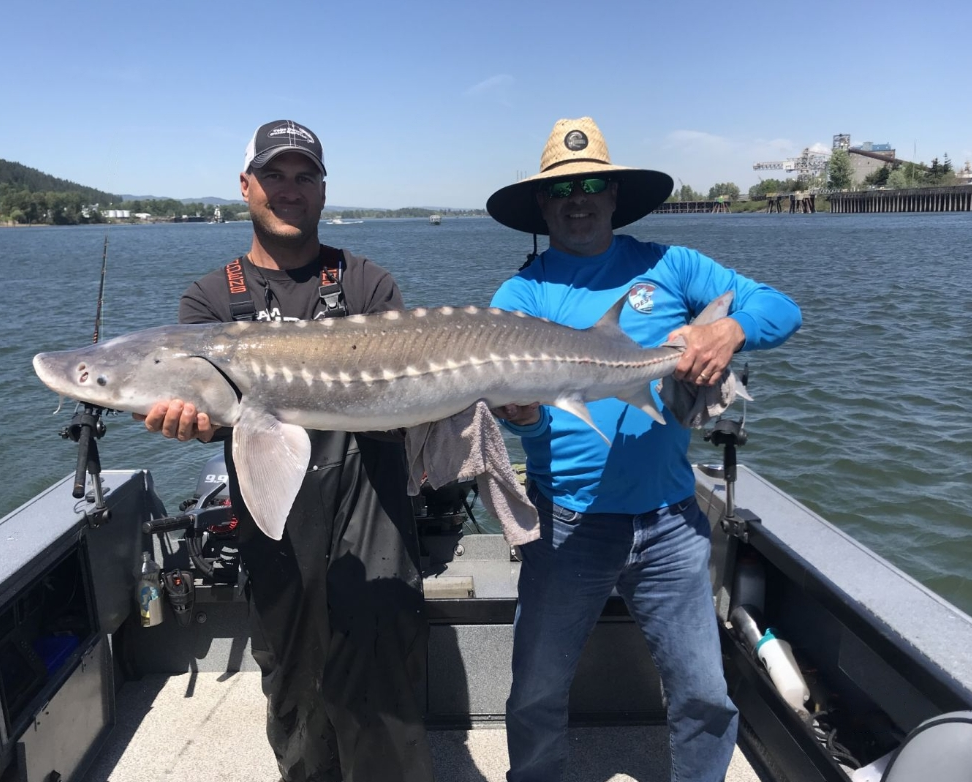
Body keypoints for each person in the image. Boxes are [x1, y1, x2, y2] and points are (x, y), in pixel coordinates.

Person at [486, 117, 802, 782]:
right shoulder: (520, 296)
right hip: (564, 523)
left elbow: (781, 309)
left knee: (703, 695)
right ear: (542, 204)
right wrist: (525, 419)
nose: (578, 198)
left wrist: (732, 330)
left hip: (669, 523)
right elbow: (531, 431)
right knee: (534, 694)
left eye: (592, 183)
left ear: (614, 196)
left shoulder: (671, 265)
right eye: (562, 188)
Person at [136, 119, 434, 782]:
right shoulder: (210, 299)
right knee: (295, 683)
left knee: (382, 674)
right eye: (274, 175)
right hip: (275, 519)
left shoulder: (366, 283)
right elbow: (208, 414)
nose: (289, 189)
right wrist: (192, 422)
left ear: (323, 190)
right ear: (246, 186)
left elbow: (404, 401)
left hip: (371, 503)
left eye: (305, 176)